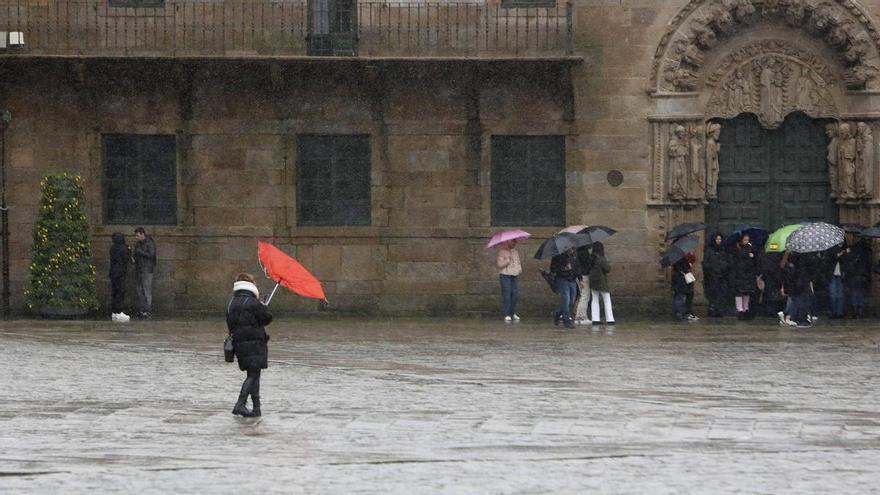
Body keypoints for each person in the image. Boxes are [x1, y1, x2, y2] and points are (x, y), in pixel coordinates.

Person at [226, 273, 272, 417]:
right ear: (251, 285)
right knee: (253, 375)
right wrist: (264, 307)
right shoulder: (252, 302)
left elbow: (231, 323)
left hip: (240, 343)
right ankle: (240, 404)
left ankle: (257, 408)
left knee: (253, 373)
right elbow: (266, 319)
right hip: (254, 342)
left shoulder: (231, 302)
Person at [550, 247, 580, 328]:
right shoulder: (558, 255)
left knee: (572, 302)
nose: (571, 250)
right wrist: (564, 268)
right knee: (566, 300)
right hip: (562, 280)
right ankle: (567, 321)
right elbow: (553, 269)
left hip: (572, 280)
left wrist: (580, 279)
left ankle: (557, 313)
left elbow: (577, 267)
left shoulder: (574, 255)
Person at [730, 233, 758, 320]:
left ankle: (746, 309)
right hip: (739, 273)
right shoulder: (737, 248)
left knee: (747, 292)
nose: (746, 242)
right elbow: (738, 257)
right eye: (745, 240)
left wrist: (752, 255)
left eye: (748, 240)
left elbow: (755, 260)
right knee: (739, 292)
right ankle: (740, 310)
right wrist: (747, 252)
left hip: (748, 273)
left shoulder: (751, 248)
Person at [782, 253, 813, 328]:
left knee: (797, 301)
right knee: (803, 300)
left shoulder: (790, 259)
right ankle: (801, 319)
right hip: (800, 283)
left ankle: (794, 318)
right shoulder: (803, 258)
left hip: (794, 283)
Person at [702, 232, 729, 317]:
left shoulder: (724, 250)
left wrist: (723, 267)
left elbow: (727, 261)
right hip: (712, 277)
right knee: (712, 294)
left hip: (722, 276)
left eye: (720, 239)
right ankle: (712, 309)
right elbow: (706, 263)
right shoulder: (709, 251)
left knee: (721, 294)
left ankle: (720, 310)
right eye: (717, 239)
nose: (718, 241)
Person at [588, 242, 614, 326]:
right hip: (601, 281)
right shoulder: (601, 258)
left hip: (592, 281)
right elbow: (607, 269)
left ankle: (595, 319)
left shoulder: (591, 258)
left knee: (594, 299)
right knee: (606, 299)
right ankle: (610, 319)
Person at [133, 227, 157, 319]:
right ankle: (142, 309)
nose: (136, 238)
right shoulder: (138, 244)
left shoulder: (150, 243)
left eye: (137, 235)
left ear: (143, 234)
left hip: (147, 269)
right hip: (139, 269)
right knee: (140, 290)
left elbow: (152, 255)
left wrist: (141, 252)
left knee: (147, 290)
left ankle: (147, 311)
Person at [496, 239, 522, 323]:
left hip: (514, 275)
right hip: (505, 274)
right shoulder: (502, 251)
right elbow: (499, 265)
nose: (514, 243)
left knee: (514, 294)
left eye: (515, 242)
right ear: (508, 242)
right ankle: (507, 314)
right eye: (512, 242)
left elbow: (518, 262)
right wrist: (507, 261)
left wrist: (519, 268)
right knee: (507, 293)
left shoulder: (515, 252)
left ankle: (512, 312)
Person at [842, 242, 869, 318]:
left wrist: (846, 254)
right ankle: (859, 312)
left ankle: (856, 311)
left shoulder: (850, 255)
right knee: (860, 294)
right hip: (861, 276)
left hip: (853, 277)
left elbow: (847, 266)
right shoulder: (864, 255)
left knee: (854, 294)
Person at [109, 232, 131, 322]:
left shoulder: (113, 248)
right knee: (121, 291)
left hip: (113, 272)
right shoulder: (123, 248)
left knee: (115, 292)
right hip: (120, 272)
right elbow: (126, 259)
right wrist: (129, 250)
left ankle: (114, 312)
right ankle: (119, 311)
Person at [671, 252, 696, 321]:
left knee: (681, 295)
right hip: (681, 278)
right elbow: (685, 266)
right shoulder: (679, 257)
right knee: (680, 295)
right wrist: (689, 264)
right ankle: (679, 313)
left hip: (681, 277)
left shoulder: (676, 256)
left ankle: (682, 312)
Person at [573, 244, 593, 325]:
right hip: (584, 276)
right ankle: (583, 317)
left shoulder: (577, 252)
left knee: (582, 296)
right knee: (585, 296)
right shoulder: (584, 253)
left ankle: (578, 317)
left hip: (580, 276)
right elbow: (587, 265)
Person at [827, 243, 846, 319]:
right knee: (833, 295)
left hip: (840, 275)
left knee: (840, 295)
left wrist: (843, 254)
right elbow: (829, 260)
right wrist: (838, 255)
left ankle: (840, 313)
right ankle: (833, 312)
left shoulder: (844, 250)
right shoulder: (830, 250)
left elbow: (845, 262)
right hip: (832, 275)